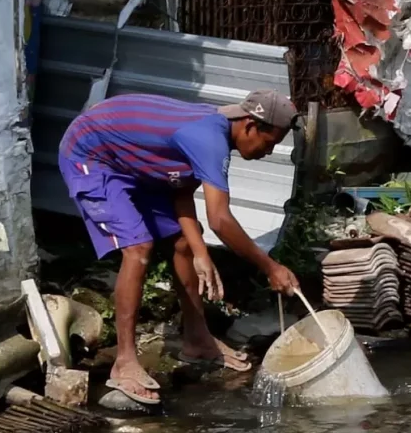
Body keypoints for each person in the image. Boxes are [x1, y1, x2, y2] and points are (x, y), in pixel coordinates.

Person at [58, 87, 302, 407]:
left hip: (132, 160)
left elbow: (181, 192)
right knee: (139, 247)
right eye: (269, 143)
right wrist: (271, 267)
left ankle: (197, 340)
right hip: (92, 153)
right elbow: (220, 219)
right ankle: (125, 362)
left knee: (187, 240)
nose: (268, 153)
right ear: (250, 126)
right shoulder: (208, 139)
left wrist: (200, 253)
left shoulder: (214, 132)